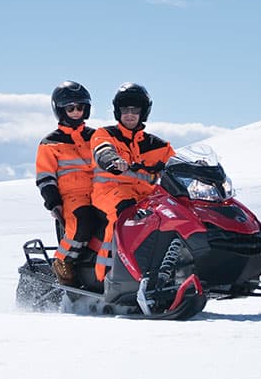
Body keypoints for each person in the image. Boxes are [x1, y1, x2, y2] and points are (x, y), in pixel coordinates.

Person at [90, 82, 174, 284]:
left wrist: (197, 167)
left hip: (147, 197)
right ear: (117, 112)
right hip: (110, 193)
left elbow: (176, 163)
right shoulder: (105, 134)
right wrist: (111, 160)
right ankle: (109, 276)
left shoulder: (158, 145)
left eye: (134, 110)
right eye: (124, 110)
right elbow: (102, 149)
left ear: (143, 112)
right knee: (123, 214)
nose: (129, 114)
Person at [35, 81, 105, 284]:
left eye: (80, 107)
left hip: (100, 193)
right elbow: (45, 176)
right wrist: (53, 202)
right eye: (71, 108)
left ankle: (100, 264)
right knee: (82, 222)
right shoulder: (50, 143)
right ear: (60, 110)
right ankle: (63, 261)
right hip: (71, 198)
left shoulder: (97, 137)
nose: (76, 112)